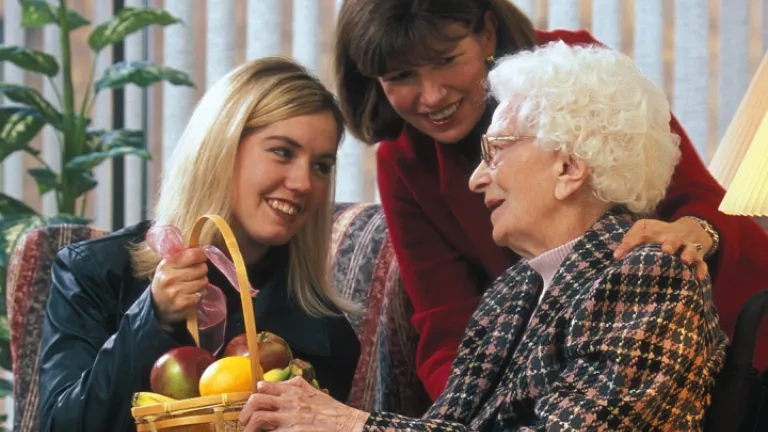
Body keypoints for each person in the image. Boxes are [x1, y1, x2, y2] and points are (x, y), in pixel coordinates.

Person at [238, 41, 728, 431]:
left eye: (494, 151)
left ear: (569, 166)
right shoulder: (512, 292)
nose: (475, 179)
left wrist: (350, 424)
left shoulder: (650, 277)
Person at [334, 0, 768, 400]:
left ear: (486, 32)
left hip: (727, 332)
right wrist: (467, 412)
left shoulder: (572, 72)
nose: (431, 96)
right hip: (566, 371)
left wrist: (693, 233)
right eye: (400, 76)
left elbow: (702, 198)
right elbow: (447, 322)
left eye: (445, 60)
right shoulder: (404, 161)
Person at [37, 57, 361, 432]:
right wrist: (151, 318)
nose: (304, 183)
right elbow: (61, 426)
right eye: (282, 152)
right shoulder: (93, 272)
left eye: (322, 165)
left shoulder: (323, 329)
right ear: (220, 148)